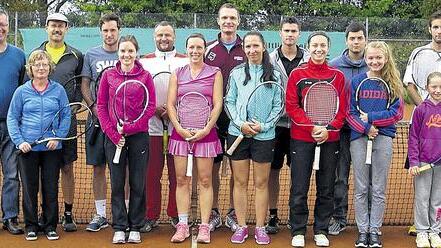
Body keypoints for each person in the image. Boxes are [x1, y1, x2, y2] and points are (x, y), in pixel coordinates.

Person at [286, 31, 347, 248]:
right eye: (314, 45)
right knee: (299, 186)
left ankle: (321, 229)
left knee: (327, 186)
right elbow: (292, 106)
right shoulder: (297, 74)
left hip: (329, 140)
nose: (318, 49)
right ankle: (298, 230)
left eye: (323, 45)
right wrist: (312, 127)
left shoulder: (337, 76)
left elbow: (342, 110)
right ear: (308, 47)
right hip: (302, 139)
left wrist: (328, 130)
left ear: (328, 48)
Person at [225, 31, 283, 245]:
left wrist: (264, 126)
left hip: (264, 136)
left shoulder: (275, 74)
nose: (252, 50)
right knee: (240, 182)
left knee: (261, 183)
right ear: (244, 49)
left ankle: (260, 227)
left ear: (264, 46)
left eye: (255, 46)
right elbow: (228, 101)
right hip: (237, 133)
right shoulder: (236, 73)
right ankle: (241, 226)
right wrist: (241, 124)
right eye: (248, 47)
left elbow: (279, 106)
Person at [96, 35, 156, 244]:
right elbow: (101, 106)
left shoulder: (145, 76)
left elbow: (149, 108)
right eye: (123, 51)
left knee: (138, 182)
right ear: (118, 53)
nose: (126, 55)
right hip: (113, 138)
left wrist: (130, 128)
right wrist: (113, 134)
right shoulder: (108, 75)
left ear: (136, 52)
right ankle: (120, 226)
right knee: (117, 183)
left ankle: (135, 226)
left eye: (130, 51)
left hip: (139, 137)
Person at [7, 50, 70, 241]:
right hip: (28, 149)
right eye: (37, 65)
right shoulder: (21, 91)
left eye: (44, 64)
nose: (41, 68)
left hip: (52, 148)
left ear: (49, 68)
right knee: (29, 188)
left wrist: (58, 137)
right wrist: (20, 141)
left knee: (51, 187)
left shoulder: (58, 90)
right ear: (31, 69)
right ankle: (31, 225)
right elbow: (12, 117)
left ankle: (50, 225)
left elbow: (66, 115)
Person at [167, 33, 223, 244]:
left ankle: (204, 226)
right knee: (181, 180)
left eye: (199, 47)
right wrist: (180, 129)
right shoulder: (177, 73)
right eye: (191, 47)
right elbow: (171, 104)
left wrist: (206, 128)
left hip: (206, 135)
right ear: (186, 48)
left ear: (204, 50)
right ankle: (182, 225)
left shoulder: (215, 73)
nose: (195, 51)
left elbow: (217, 104)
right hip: (180, 135)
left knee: (206, 180)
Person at [347, 41, 404, 248]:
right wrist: (365, 128)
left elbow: (396, 113)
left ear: (386, 58)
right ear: (365, 58)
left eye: (379, 57)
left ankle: (374, 230)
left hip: (384, 137)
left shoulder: (393, 83)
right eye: (370, 58)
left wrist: (371, 118)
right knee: (361, 187)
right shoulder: (357, 82)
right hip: (359, 139)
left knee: (378, 188)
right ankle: (362, 231)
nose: (375, 61)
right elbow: (350, 113)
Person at [32, 13, 84, 232]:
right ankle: (45, 212)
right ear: (46, 28)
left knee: (67, 168)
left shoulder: (76, 55)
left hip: (66, 124)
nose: (57, 29)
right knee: (44, 170)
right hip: (41, 125)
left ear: (67, 29)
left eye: (61, 26)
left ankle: (69, 214)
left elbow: (81, 85)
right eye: (53, 25)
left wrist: (74, 107)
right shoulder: (36, 55)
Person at [139, 21, 188, 232]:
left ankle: (176, 214)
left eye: (168, 35)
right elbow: (139, 93)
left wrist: (173, 110)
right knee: (151, 174)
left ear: (174, 37)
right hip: (151, 127)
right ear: (154, 37)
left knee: (178, 175)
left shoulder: (186, 60)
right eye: (160, 35)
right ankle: (150, 215)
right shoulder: (143, 61)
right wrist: (154, 110)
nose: (164, 39)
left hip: (179, 127)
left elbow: (190, 89)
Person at [204, 3, 246, 232]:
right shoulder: (208, 49)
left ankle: (232, 212)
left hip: (238, 120)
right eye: (224, 18)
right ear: (218, 21)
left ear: (238, 22)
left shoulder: (246, 48)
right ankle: (212, 212)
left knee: (236, 167)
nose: (228, 22)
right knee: (213, 167)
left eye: (232, 18)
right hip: (213, 119)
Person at [267, 16, 309, 234]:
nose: (290, 34)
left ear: (298, 34)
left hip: (300, 126)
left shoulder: (309, 59)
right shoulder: (269, 58)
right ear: (280, 33)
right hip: (275, 126)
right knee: (272, 171)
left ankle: (295, 215)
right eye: (286, 31)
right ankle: (272, 215)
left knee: (298, 172)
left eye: (294, 31)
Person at [80, 13, 121, 232]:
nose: (109, 34)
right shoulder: (91, 55)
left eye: (113, 30)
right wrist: (94, 107)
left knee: (121, 167)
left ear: (119, 31)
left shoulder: (126, 52)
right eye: (105, 30)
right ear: (100, 32)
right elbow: (85, 84)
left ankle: (120, 211)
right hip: (96, 120)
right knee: (98, 167)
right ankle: (101, 214)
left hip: (121, 122)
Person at [402, 10, 441, 236]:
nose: (439, 31)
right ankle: (421, 223)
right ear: (430, 29)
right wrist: (427, 112)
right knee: (422, 180)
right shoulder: (419, 53)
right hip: (424, 128)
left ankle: (436, 225)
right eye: (435, 26)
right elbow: (410, 85)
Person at [328, 22, 368, 236]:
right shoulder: (334, 66)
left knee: (367, 177)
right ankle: (339, 217)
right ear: (346, 40)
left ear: (365, 39)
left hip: (366, 132)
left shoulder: (373, 65)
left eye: (359, 38)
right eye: (352, 38)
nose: (356, 42)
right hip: (343, 132)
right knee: (340, 177)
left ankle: (369, 219)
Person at [408, 71, 441, 248]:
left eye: (440, 87)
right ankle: (422, 231)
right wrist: (414, 161)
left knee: (437, 199)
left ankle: (435, 231)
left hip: (440, 165)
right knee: (422, 198)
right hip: (423, 163)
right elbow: (413, 137)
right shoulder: (421, 110)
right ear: (427, 87)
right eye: (434, 86)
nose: (437, 90)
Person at [0, 9, 25, 236]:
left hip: (9, 125)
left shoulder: (18, 55)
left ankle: (10, 217)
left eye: (3, 24)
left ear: (8, 26)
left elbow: (21, 88)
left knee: (10, 174)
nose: (0, 29)